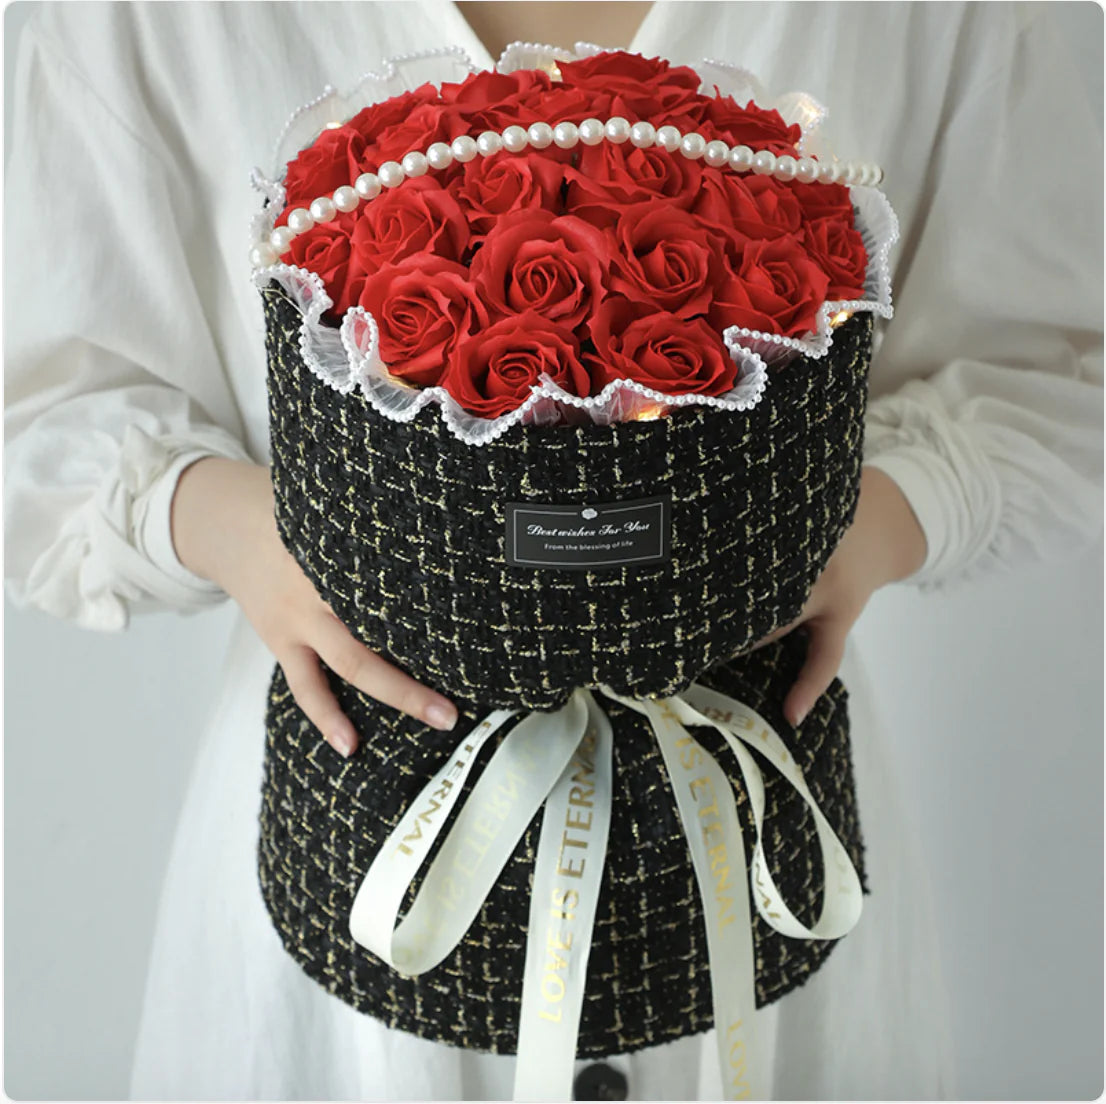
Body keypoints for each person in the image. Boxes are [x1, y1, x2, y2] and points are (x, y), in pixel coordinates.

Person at [4, 2, 1101, 1099]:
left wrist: (856, 520)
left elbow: (1059, 366)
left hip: (752, 812)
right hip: (358, 830)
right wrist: (262, 531)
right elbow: (45, 412)